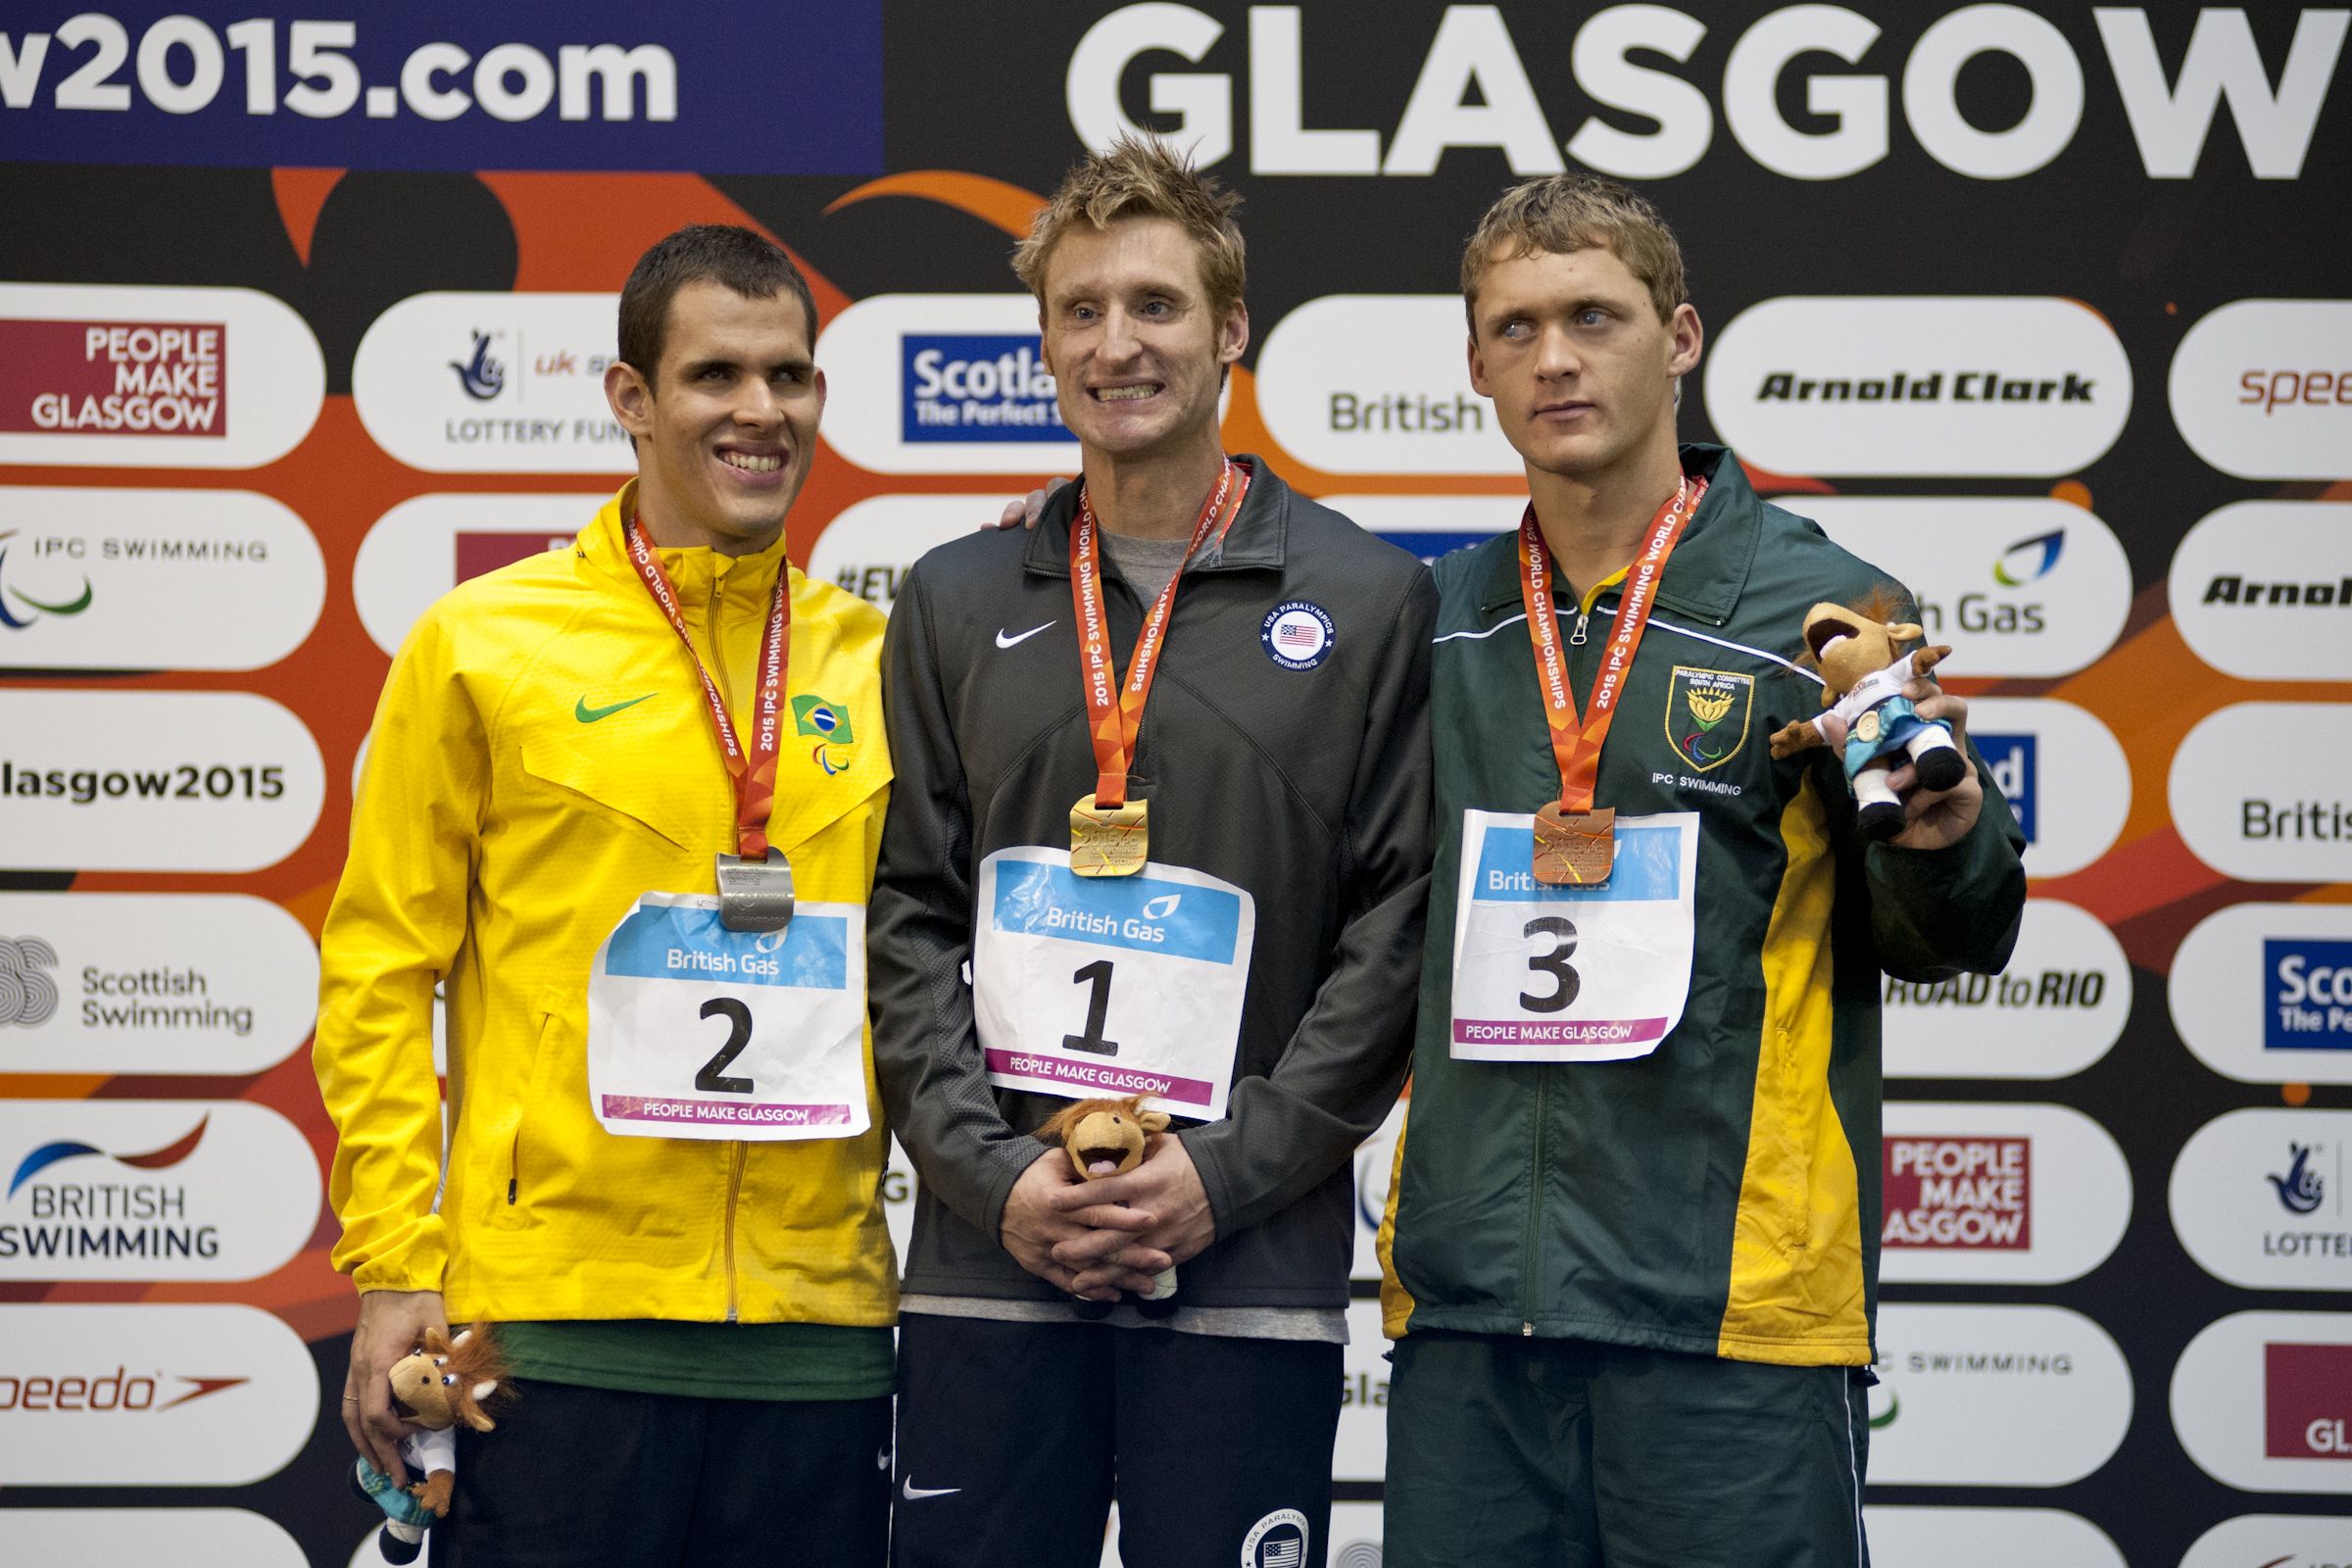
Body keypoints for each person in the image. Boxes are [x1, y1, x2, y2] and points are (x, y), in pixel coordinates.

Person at [1376, 175, 2027, 1566]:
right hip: (1476, 1312)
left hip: (1733, 1315)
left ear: (1678, 337)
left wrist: (1949, 831)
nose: (1556, 358)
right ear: (1476, 364)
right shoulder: (1432, 623)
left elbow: (1959, 935)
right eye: (1517, 328)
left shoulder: (1830, 614)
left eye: (1594, 317)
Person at [869, 137, 1434, 1568]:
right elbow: (908, 918)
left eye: (1159, 305)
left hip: (1244, 1268)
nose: (1118, 344)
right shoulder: (948, 599)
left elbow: (1397, 932)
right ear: (1046, 342)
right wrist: (994, 1180)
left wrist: (1224, 1175)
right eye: (1081, 311)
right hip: (992, 1264)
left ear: (1231, 328)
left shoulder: (1369, 601)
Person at [316, 224, 897, 1567]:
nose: (762, 413)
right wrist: (396, 1262)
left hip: (819, 1336)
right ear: (630, 399)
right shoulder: (481, 645)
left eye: (791, 378)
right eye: (715, 377)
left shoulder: (883, 659)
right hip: (547, 1329)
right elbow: (381, 975)